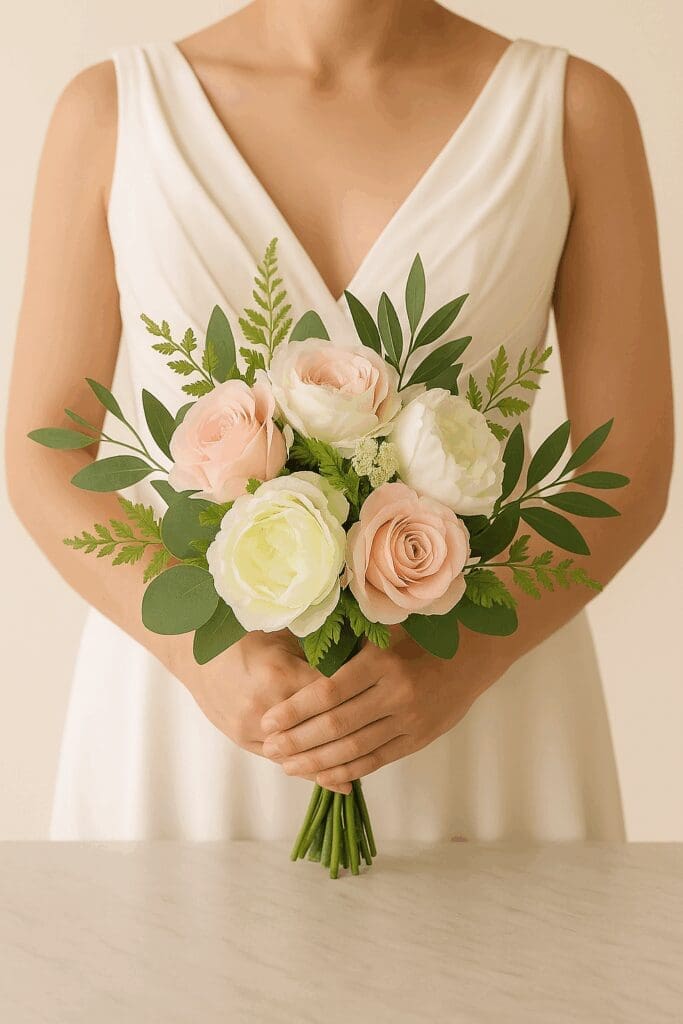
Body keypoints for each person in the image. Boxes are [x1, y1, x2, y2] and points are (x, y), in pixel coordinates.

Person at [6, 1, 673, 841]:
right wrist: (193, 652)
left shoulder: (573, 112)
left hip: (483, 719)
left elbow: (630, 463)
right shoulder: (110, 111)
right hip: (196, 719)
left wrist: (468, 657)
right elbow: (46, 453)